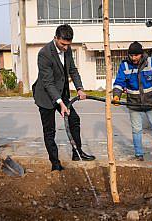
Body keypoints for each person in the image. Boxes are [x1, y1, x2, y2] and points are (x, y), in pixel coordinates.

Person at [32, 24, 95, 171]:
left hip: (62, 93)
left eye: (68, 44)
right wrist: (60, 103)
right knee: (50, 131)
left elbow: (72, 70)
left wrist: (80, 88)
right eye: (63, 44)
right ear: (55, 38)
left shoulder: (66, 50)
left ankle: (77, 152)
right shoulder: (44, 54)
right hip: (46, 96)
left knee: (74, 120)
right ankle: (55, 164)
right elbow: (47, 82)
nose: (66, 48)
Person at [112, 41, 152, 162]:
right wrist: (116, 95)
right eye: (131, 55)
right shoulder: (125, 65)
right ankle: (139, 154)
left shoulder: (151, 63)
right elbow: (119, 82)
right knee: (136, 130)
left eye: (136, 55)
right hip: (134, 103)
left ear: (141, 54)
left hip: (151, 102)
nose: (133, 58)